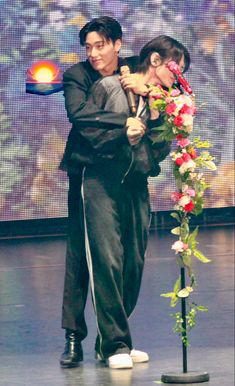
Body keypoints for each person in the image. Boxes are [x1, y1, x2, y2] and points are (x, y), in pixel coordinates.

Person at [64, 34, 190, 369]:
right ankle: (115, 344)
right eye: (176, 72)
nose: (178, 81)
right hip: (100, 183)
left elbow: (159, 152)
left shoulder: (165, 104)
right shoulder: (108, 86)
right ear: (155, 62)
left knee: (133, 263)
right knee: (107, 262)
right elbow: (89, 135)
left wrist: (161, 130)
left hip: (135, 185)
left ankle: (115, 339)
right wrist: (124, 132)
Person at [59, 16, 143, 369]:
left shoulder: (134, 69)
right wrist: (124, 125)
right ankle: (75, 337)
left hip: (128, 174)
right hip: (88, 172)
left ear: (117, 43)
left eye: (100, 45)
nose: (93, 53)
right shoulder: (77, 75)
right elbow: (79, 113)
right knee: (85, 256)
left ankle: (110, 339)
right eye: (88, 47)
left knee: (131, 258)